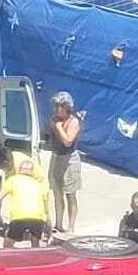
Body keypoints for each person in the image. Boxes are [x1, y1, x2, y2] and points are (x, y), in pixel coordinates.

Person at [45, 91, 83, 234]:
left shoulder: (73, 122)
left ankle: (71, 226)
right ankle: (58, 224)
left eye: (58, 106)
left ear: (66, 107)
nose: (55, 109)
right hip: (56, 157)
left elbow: (67, 141)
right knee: (57, 191)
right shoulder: (55, 119)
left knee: (70, 193)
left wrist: (59, 127)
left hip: (69, 160)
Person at [0, 155, 50, 247]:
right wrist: (48, 222)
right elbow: (46, 208)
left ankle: (5, 255)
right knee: (35, 241)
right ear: (32, 172)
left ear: (19, 169)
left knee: (8, 242)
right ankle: (34, 257)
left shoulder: (12, 180)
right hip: (38, 217)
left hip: (19, 217)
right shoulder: (38, 184)